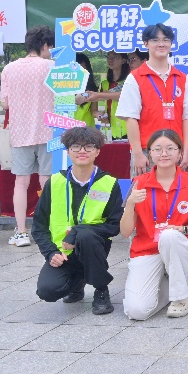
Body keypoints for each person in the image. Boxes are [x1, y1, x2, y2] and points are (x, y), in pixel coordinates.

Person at [32, 126, 122, 315]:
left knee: (86, 236)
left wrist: (77, 231)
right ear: (68, 151)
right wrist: (50, 253)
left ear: (97, 151)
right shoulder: (54, 182)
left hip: (93, 247)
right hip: (62, 251)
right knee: (47, 291)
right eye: (76, 146)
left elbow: (114, 226)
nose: (82, 151)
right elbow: (39, 226)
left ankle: (101, 289)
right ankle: (77, 283)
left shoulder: (109, 183)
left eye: (88, 146)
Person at [120, 129, 188, 319]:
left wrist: (180, 229)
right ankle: (168, 285)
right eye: (157, 149)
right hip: (146, 249)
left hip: (180, 247)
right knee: (137, 311)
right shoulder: (138, 183)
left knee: (170, 236)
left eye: (170, 148)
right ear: (150, 154)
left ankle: (181, 297)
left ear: (180, 153)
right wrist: (130, 203)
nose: (164, 153)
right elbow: (125, 232)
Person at [116, 23, 188, 176]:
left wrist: (185, 151)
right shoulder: (135, 78)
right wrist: (137, 154)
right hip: (146, 152)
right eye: (155, 40)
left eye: (166, 40)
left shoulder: (182, 78)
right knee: (144, 191)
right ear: (146, 44)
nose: (161, 44)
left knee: (176, 191)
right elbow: (131, 118)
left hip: (175, 151)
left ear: (171, 44)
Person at [1, 25, 55, 247]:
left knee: (21, 182)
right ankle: (48, 228)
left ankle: (21, 231)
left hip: (21, 131)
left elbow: (5, 103)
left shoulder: (9, 69)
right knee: (47, 181)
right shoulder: (53, 67)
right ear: (45, 45)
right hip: (49, 130)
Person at [78, 51, 130, 140]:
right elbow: (94, 110)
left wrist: (100, 95)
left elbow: (124, 97)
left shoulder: (129, 81)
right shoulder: (104, 83)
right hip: (110, 130)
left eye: (115, 56)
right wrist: (100, 115)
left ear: (124, 60)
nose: (110, 59)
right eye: (108, 56)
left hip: (127, 128)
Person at [71, 53, 100, 127]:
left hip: (87, 129)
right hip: (68, 127)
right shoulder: (63, 87)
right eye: (79, 68)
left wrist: (98, 114)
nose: (82, 71)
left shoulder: (92, 87)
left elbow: (93, 111)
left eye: (84, 68)